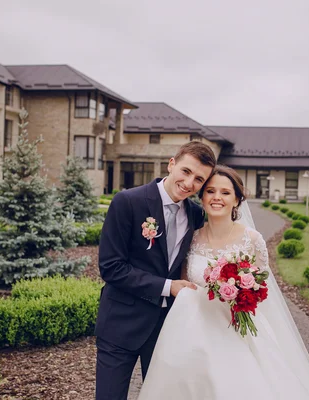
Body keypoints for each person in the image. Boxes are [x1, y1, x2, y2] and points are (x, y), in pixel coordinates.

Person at [137, 165, 309, 400]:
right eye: (210, 191)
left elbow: (261, 290)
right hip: (189, 327)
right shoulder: (192, 237)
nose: (217, 197)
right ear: (202, 196)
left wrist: (239, 294)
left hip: (235, 329)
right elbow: (185, 281)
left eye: (225, 193)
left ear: (237, 200)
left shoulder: (252, 240)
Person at [95, 142, 216, 400]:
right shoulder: (128, 202)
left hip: (166, 328)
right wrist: (167, 286)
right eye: (185, 171)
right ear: (171, 164)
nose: (188, 183)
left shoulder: (195, 215)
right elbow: (110, 267)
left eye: (198, 179)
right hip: (120, 323)